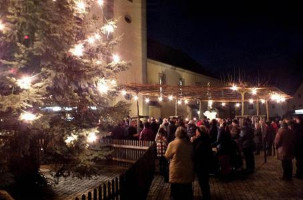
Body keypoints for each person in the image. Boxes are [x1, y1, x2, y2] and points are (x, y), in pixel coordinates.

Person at [165, 127, 194, 200]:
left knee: (176, 192)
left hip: (176, 170)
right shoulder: (189, 144)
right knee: (186, 191)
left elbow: (167, 155)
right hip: (187, 169)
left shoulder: (173, 144)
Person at [192, 126, 212, 200]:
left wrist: (193, 142)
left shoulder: (200, 141)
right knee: (205, 182)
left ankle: (206, 196)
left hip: (201, 165)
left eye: (196, 131)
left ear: (200, 132)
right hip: (205, 163)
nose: (195, 133)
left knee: (203, 182)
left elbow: (196, 152)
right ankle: (207, 195)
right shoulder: (205, 139)